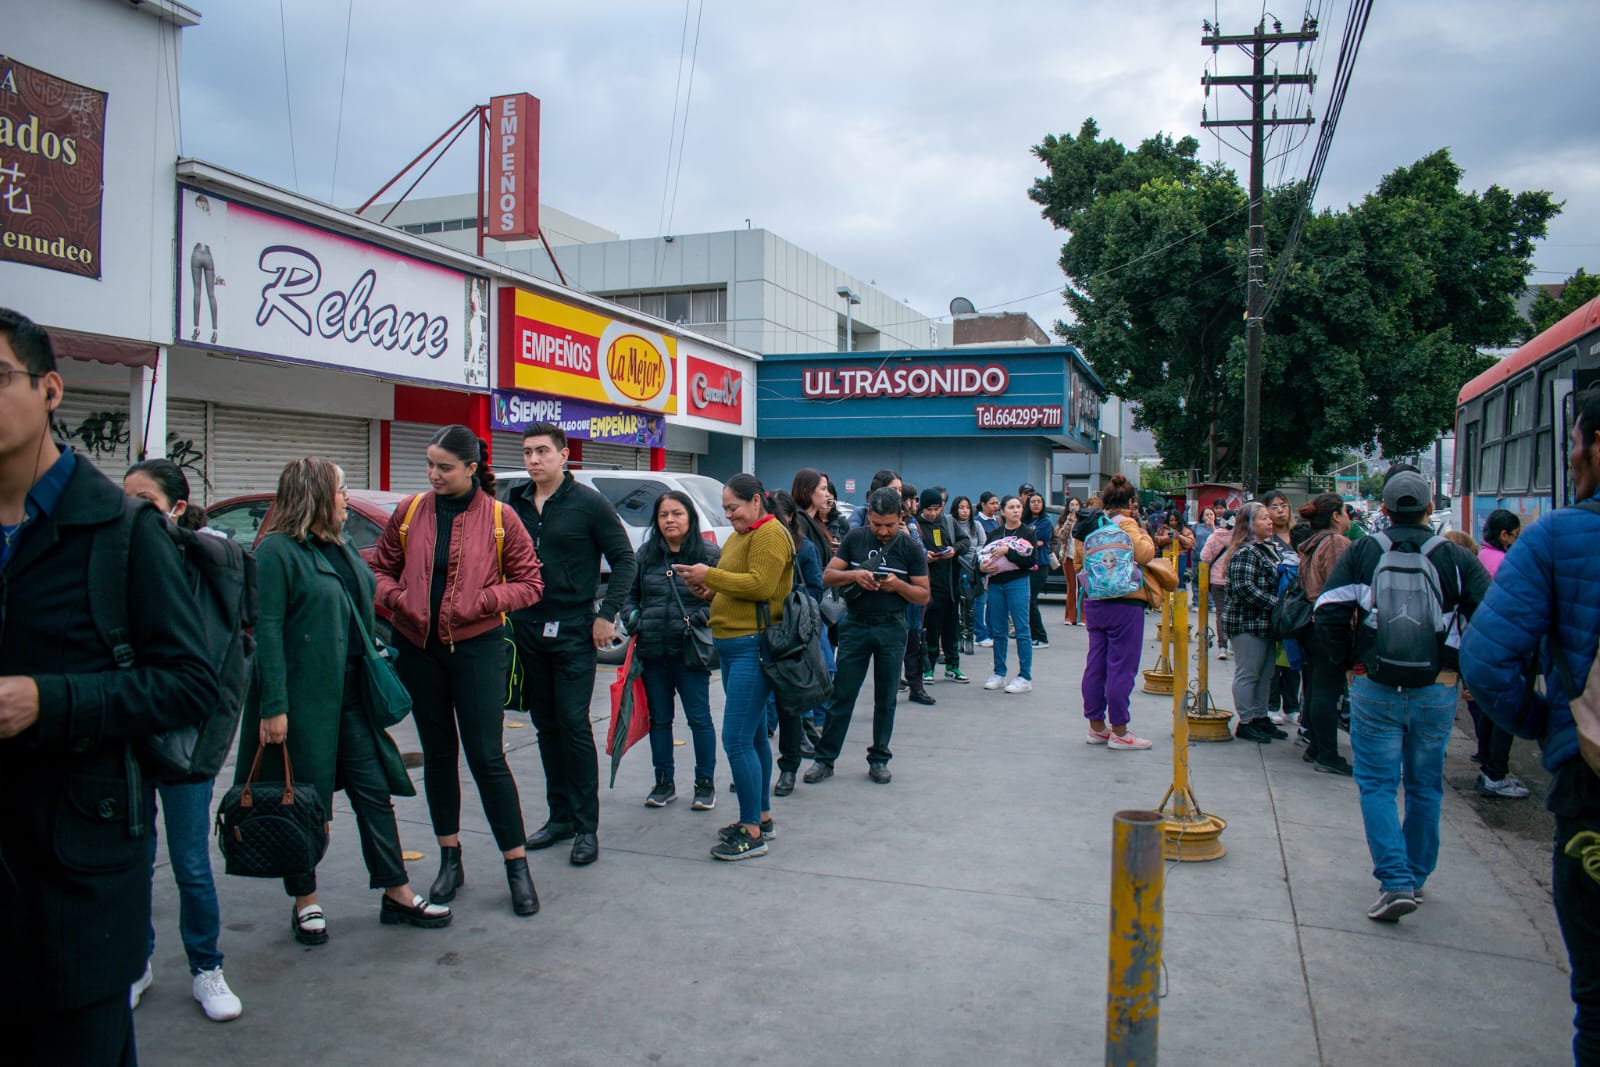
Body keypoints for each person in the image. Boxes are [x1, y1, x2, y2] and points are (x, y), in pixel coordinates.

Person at [0, 310, 218, 1065]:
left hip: (78, 882)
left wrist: (49, 700)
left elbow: (192, 681)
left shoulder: (123, 531)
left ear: (50, 388)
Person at [239, 457, 453, 947]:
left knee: (373, 793)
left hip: (351, 696)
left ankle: (396, 892)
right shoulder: (277, 552)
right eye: (339, 489)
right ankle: (305, 902)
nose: (344, 497)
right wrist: (273, 706)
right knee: (303, 804)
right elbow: (267, 630)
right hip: (302, 705)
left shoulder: (340, 549)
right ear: (314, 494)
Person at [1460, 389, 1600, 1062]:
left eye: (1574, 441)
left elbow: (1485, 665)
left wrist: (1550, 726)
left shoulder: (1560, 536)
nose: (1571, 456)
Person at [371, 426, 545, 913]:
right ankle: (451, 857)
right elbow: (379, 570)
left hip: (477, 648)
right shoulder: (409, 513)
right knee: (439, 754)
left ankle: (516, 865)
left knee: (488, 758)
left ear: (471, 468)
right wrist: (398, 598)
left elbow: (530, 583)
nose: (434, 474)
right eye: (430, 465)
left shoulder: (500, 517)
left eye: (444, 467)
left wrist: (483, 600)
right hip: (418, 648)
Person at [1316, 470, 1489, 923]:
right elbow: (1490, 619)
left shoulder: (1364, 551)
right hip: (1438, 687)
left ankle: (1393, 881)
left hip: (1374, 684)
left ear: (1385, 510)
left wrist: (1348, 664)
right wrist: (1462, 667)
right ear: (1431, 509)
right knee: (1425, 785)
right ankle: (1414, 875)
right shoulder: (1455, 557)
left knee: (1376, 783)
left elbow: (1329, 614)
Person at [121, 459, 241, 1021]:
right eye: (127, 499)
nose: (133, 511)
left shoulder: (202, 558)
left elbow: (235, 574)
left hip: (186, 737)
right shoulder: (115, 558)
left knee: (190, 861)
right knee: (134, 859)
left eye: (145, 500)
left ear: (174, 507)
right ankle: (135, 961)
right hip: (127, 726)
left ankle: (206, 967)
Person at [505, 422, 637, 867]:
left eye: (542, 451)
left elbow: (624, 560)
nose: (533, 460)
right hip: (528, 627)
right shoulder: (516, 502)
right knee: (545, 725)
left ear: (564, 456)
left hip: (575, 629)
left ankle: (586, 827)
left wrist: (607, 615)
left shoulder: (589, 504)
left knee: (573, 724)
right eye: (527, 452)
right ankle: (559, 816)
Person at [674, 474, 792, 859]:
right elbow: (740, 583)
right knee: (753, 737)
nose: (729, 515)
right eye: (725, 509)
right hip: (732, 647)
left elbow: (760, 585)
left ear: (756, 501)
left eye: (733, 508)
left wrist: (711, 575)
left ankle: (751, 830)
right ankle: (761, 816)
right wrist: (708, 588)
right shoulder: (745, 535)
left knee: (736, 739)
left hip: (751, 648)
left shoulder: (770, 535)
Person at [805, 486, 931, 785]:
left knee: (886, 697)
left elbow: (923, 595)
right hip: (856, 625)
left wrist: (897, 586)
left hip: (892, 626)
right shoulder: (855, 538)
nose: (883, 531)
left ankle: (879, 758)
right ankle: (825, 759)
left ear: (900, 516)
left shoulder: (910, 547)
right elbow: (827, 576)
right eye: (876, 524)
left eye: (889, 524)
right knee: (842, 694)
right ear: (869, 517)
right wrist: (854, 575)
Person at [622, 490, 721, 811]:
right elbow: (629, 595)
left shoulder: (707, 554)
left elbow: (723, 598)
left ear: (690, 517)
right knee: (660, 720)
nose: (670, 520)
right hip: (652, 653)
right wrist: (634, 619)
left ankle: (705, 784)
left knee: (699, 719)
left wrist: (698, 619)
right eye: (664, 515)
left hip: (690, 652)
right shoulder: (646, 554)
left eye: (677, 513)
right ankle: (663, 782)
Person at [1079, 473, 1159, 749]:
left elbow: (1080, 558)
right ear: (1132, 501)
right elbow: (1146, 554)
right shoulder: (1128, 524)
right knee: (1121, 668)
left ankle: (1096, 727)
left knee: (1096, 665)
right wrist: (1145, 534)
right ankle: (1121, 731)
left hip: (1095, 601)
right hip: (1126, 602)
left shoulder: (1091, 523)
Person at [1466, 510, 1530, 799]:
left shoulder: (1481, 558)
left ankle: (1488, 764)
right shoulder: (1506, 563)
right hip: (1503, 648)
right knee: (1506, 713)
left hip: (1481, 647)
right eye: (1515, 535)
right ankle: (1495, 774)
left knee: (1489, 709)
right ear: (1505, 535)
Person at [769, 489, 827, 796]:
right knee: (756, 712)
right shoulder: (757, 544)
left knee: (789, 708)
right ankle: (754, 768)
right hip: (758, 634)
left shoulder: (803, 548)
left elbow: (816, 590)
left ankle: (788, 768)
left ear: (791, 517)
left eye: (779, 517)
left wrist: (791, 603)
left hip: (790, 637)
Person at [1294, 493, 1354, 775]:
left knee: (1317, 686)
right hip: (1328, 623)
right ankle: (1327, 753)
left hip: (1310, 623)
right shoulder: (1335, 543)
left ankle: (1316, 746)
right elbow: (1339, 586)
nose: (1349, 518)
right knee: (1327, 690)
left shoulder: (1311, 543)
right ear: (1336, 516)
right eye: (1346, 511)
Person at [1225, 502, 1288, 743]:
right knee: (1249, 673)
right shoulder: (1245, 552)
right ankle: (1247, 720)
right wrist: (1276, 603)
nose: (1270, 521)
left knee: (1265, 674)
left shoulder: (1267, 549)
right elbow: (1243, 588)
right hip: (1247, 624)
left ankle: (1261, 717)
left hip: (1265, 625)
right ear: (1249, 524)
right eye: (1263, 518)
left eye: (1269, 518)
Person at [981, 494, 1036, 694]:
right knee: (998, 630)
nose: (1016, 510)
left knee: (1022, 630)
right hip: (996, 583)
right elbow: (984, 555)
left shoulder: (1027, 533)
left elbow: (1030, 562)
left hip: (1018, 582)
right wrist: (983, 568)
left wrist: (1008, 552)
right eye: (1011, 507)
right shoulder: (995, 533)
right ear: (1002, 511)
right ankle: (999, 673)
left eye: (1018, 507)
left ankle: (1025, 676)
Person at [918, 488, 971, 684]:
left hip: (950, 585)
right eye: (929, 509)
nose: (932, 513)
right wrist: (924, 557)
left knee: (952, 628)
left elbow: (966, 541)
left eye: (936, 509)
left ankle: (952, 666)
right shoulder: (915, 525)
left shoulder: (949, 522)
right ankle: (928, 668)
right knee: (931, 629)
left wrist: (954, 550)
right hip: (928, 586)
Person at [1260, 489, 1302, 725]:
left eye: (1284, 505)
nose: (1280, 511)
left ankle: (1292, 706)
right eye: (1274, 506)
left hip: (1298, 606)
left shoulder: (1300, 536)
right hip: (1275, 605)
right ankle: (1272, 704)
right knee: (1276, 659)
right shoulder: (1266, 540)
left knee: (1295, 658)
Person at [896, 483, 936, 706]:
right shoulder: (892, 524)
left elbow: (921, 554)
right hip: (897, 590)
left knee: (914, 639)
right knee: (897, 641)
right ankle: (895, 684)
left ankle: (916, 685)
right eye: (912, 499)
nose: (915, 504)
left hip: (915, 589)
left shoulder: (912, 524)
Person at [951, 495, 987, 652]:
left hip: (971, 567)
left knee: (970, 603)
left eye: (967, 507)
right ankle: (957, 637)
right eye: (961, 507)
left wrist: (976, 554)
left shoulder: (976, 525)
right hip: (955, 565)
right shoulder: (950, 524)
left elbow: (983, 544)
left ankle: (969, 637)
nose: (965, 511)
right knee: (956, 603)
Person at [1200, 510, 1236, 659]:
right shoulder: (1241, 538)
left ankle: (1222, 647)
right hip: (1235, 580)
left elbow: (1205, 557)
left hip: (1217, 580)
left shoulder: (1215, 536)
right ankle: (1235, 644)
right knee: (1234, 612)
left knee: (1221, 613)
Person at [1024, 492, 1054, 647]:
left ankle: (1041, 637)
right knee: (1026, 601)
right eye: (1033, 501)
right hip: (1025, 565)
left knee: (1031, 600)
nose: (1035, 504)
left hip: (1040, 565)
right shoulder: (1026, 520)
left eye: (1038, 501)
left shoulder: (1045, 521)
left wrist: (1025, 543)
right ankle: (1032, 635)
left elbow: (1040, 542)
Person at [1058, 496, 1082, 625]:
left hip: (1081, 557)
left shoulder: (1084, 520)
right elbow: (1060, 536)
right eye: (1071, 505)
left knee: (1082, 588)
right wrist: (1068, 522)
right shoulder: (1064, 520)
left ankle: (1082, 617)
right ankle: (1070, 617)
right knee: (1071, 588)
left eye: (1076, 504)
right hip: (1068, 556)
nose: (1074, 507)